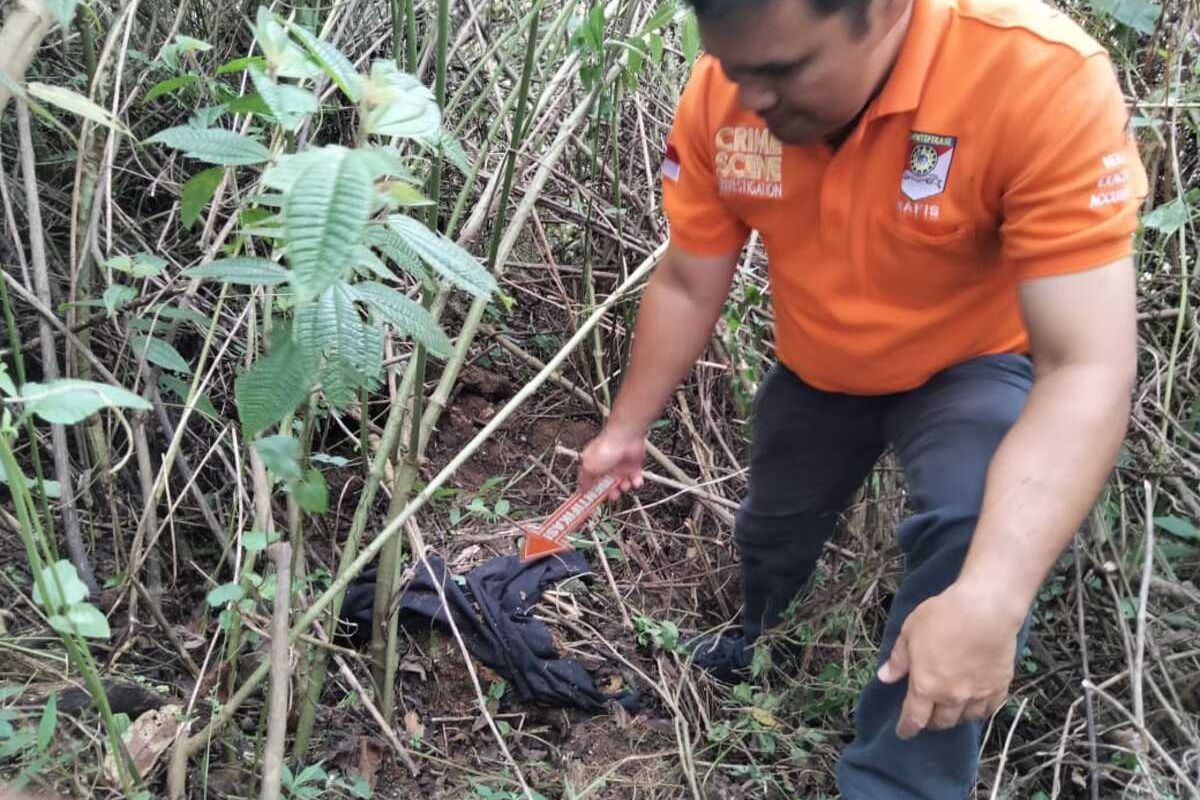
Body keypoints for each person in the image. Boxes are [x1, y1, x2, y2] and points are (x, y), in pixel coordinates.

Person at [576, 0, 1146, 796]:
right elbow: (687, 276)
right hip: (819, 363)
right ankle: (762, 638)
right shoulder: (725, 93)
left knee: (969, 519)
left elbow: (1086, 367)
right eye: (736, 71)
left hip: (967, 365)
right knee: (774, 527)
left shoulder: (1035, 77)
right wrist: (626, 427)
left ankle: (899, 779)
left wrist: (990, 598)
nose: (752, 100)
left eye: (780, 72)